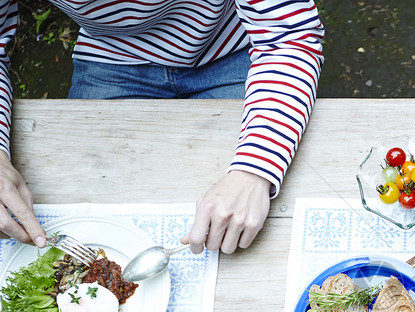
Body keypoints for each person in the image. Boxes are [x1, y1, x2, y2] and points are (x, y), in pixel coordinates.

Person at [0, 0, 323, 254]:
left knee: (265, 226)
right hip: (111, 56)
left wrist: (256, 169)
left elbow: (288, 35)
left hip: (235, 48)